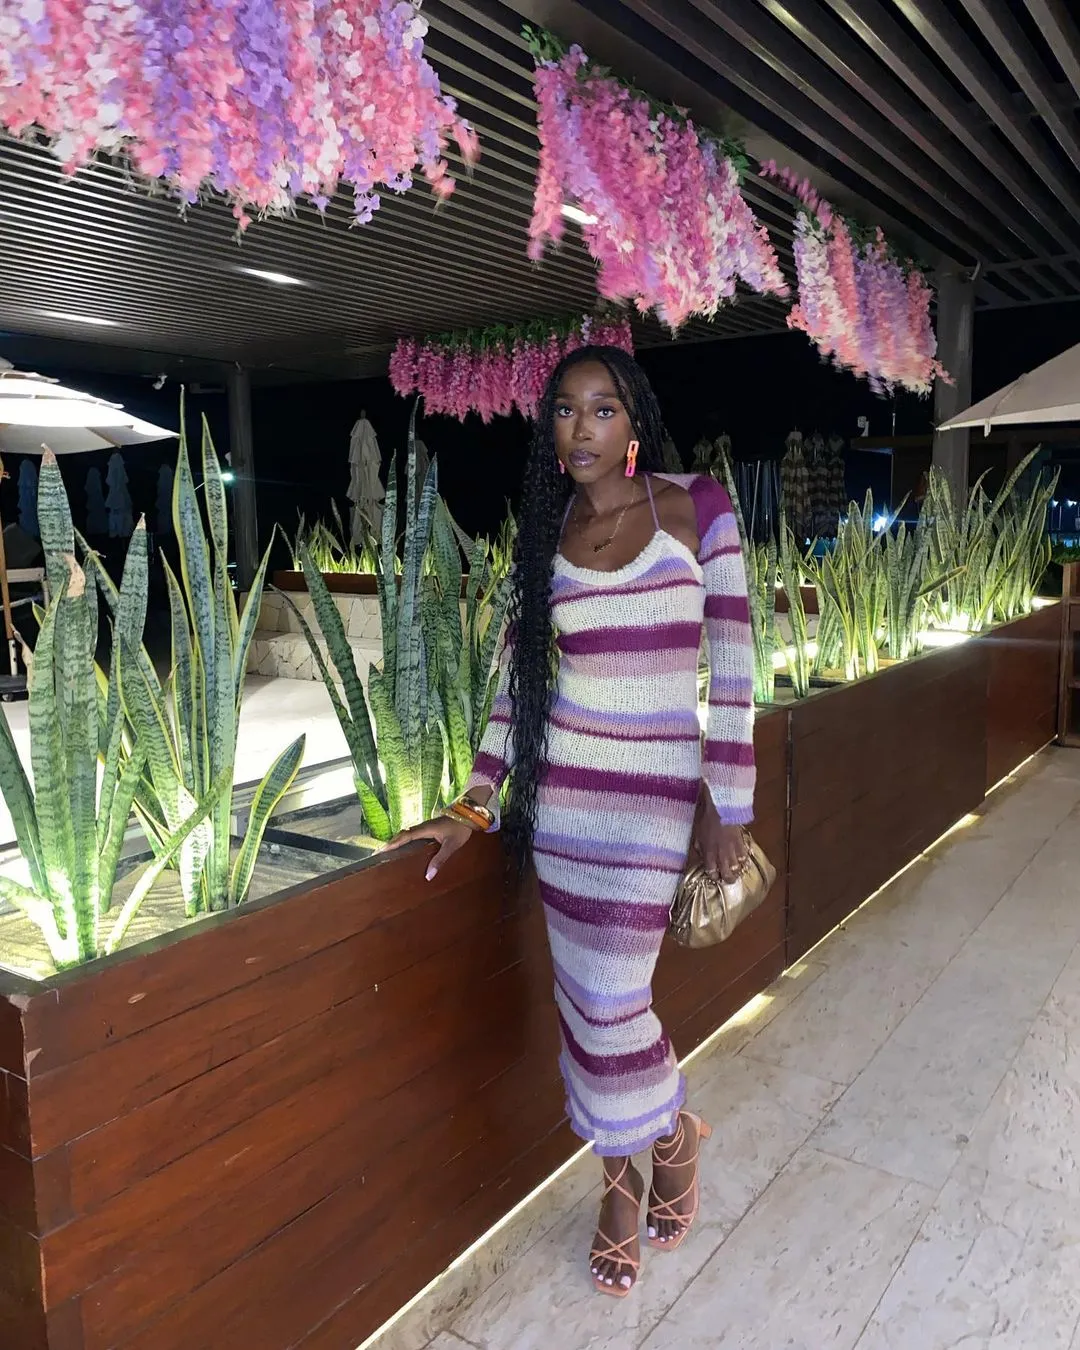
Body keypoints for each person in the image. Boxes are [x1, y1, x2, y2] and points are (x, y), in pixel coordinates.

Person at [385, 347, 756, 1297]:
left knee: (614, 1005)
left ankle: (655, 1149)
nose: (581, 428)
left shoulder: (697, 507)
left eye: (602, 409)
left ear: (635, 423)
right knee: (582, 1006)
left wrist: (730, 808)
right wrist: (475, 801)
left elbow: (737, 672)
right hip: (567, 810)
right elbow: (518, 686)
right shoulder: (546, 532)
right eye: (564, 411)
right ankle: (636, 1163)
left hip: (654, 809)